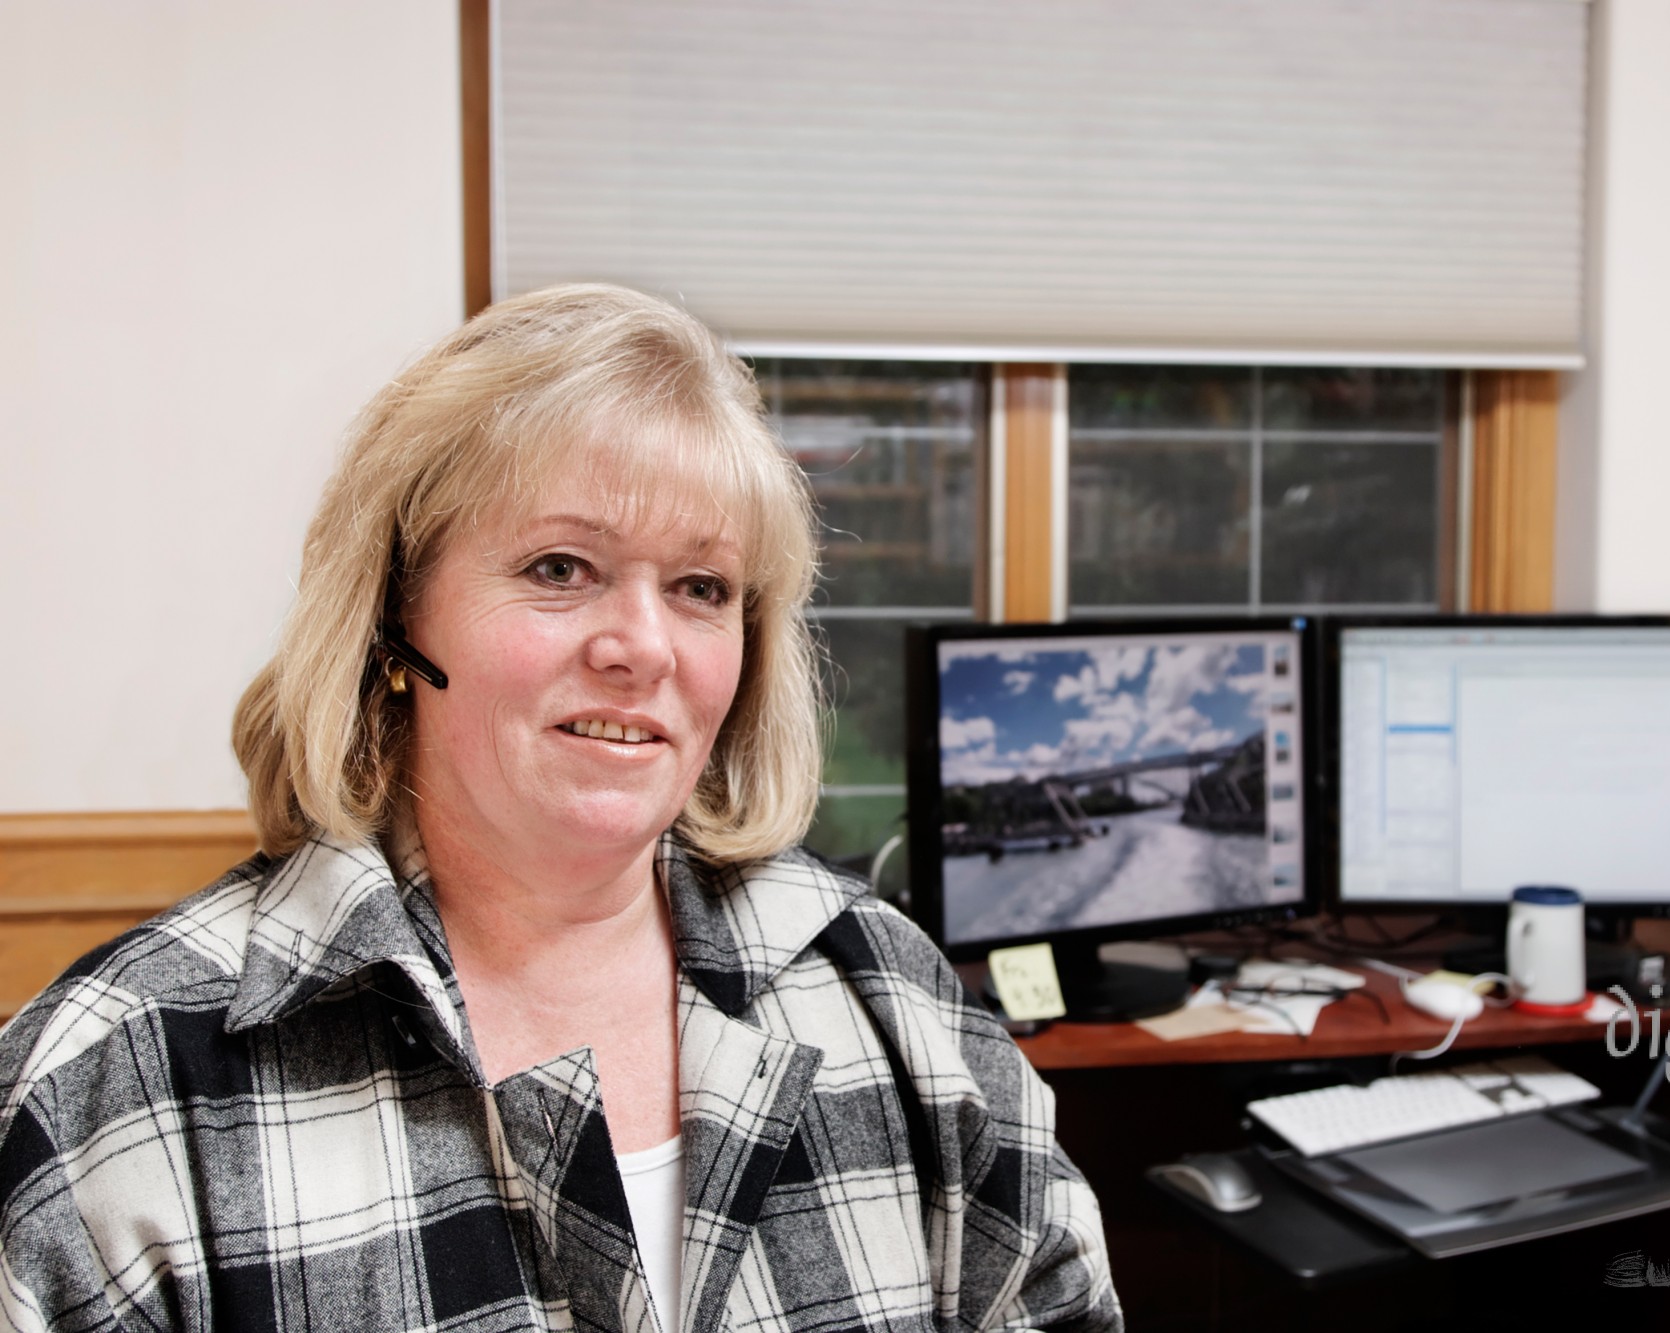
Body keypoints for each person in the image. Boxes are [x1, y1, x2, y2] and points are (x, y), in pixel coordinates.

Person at [0, 285, 1122, 1333]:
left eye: (701, 588)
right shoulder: (118, 1087)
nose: (640, 647)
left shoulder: (889, 993)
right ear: (397, 616)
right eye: (557, 567)